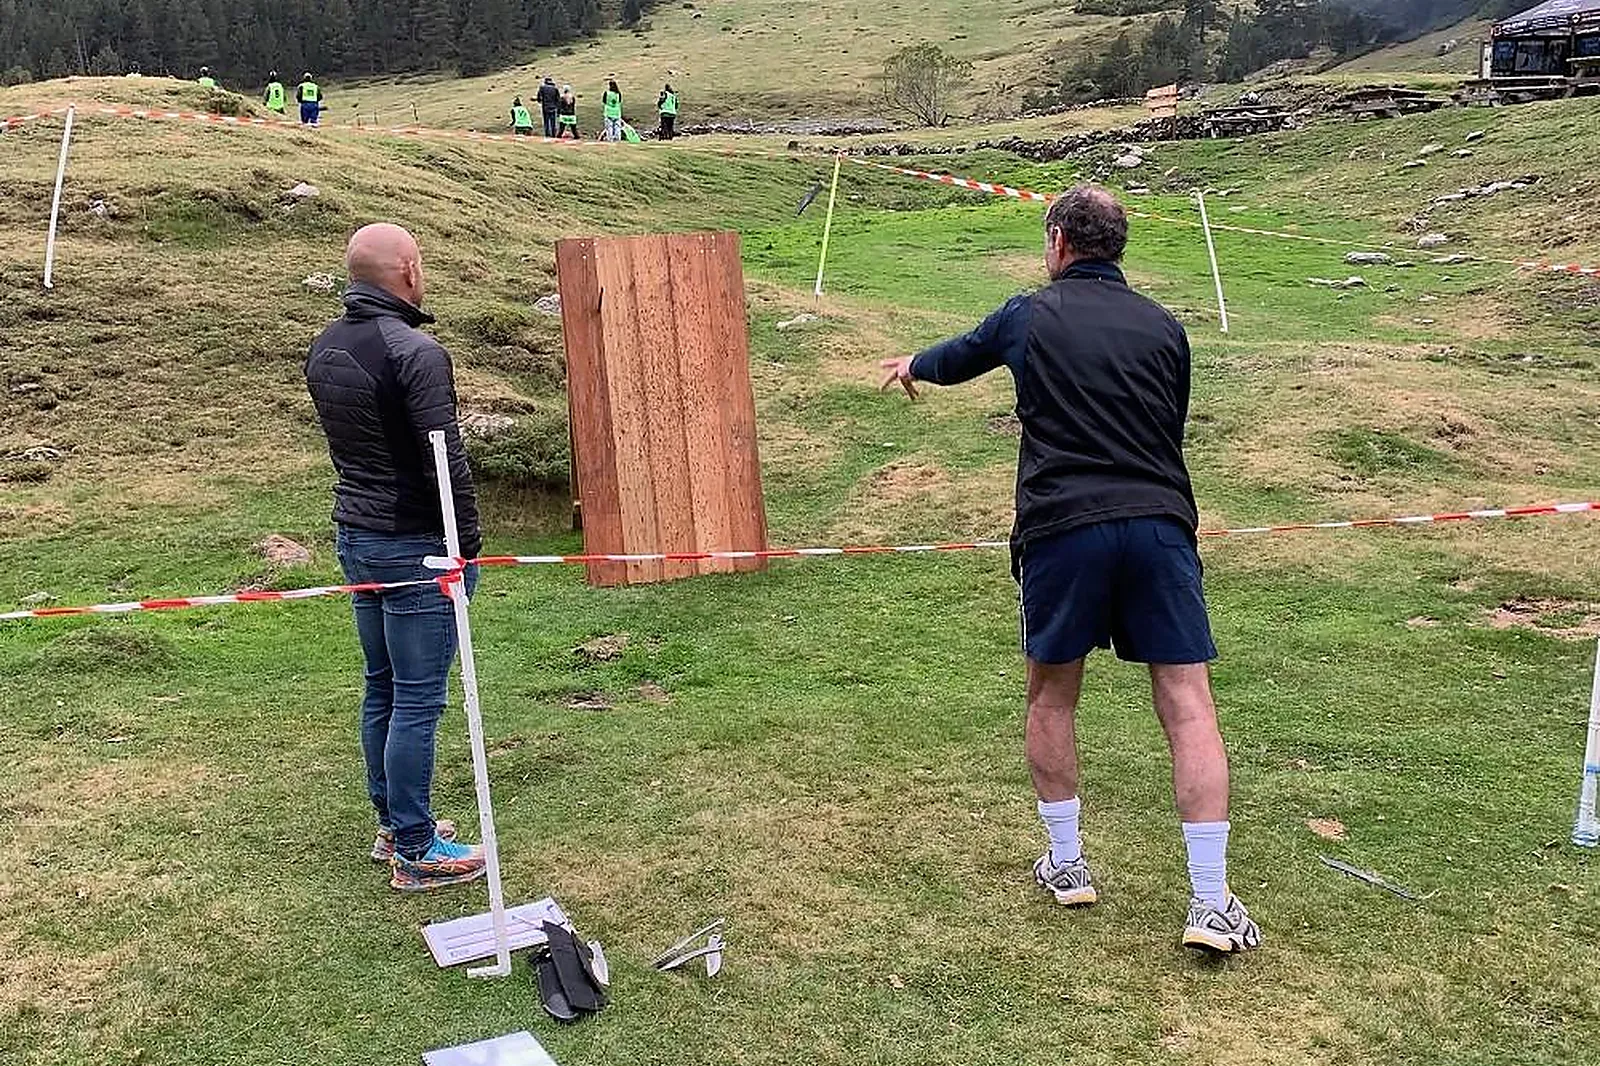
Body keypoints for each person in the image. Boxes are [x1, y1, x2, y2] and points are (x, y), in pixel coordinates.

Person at [877, 186, 1261, 955]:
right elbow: (1170, 422)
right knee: (1188, 703)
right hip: (1158, 526)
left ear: (1058, 242)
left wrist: (910, 363)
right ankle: (1212, 902)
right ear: (1117, 247)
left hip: (1061, 531)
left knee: (1053, 695)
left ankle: (1066, 863)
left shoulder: (1028, 315)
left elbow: (959, 357)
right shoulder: (1165, 325)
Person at [304, 223, 488, 894]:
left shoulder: (326, 344)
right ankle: (415, 848)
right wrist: (465, 546)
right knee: (417, 697)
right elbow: (447, 460)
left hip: (358, 535)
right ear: (408, 271)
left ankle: (393, 826)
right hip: (415, 544)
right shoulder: (416, 351)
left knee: (383, 685)